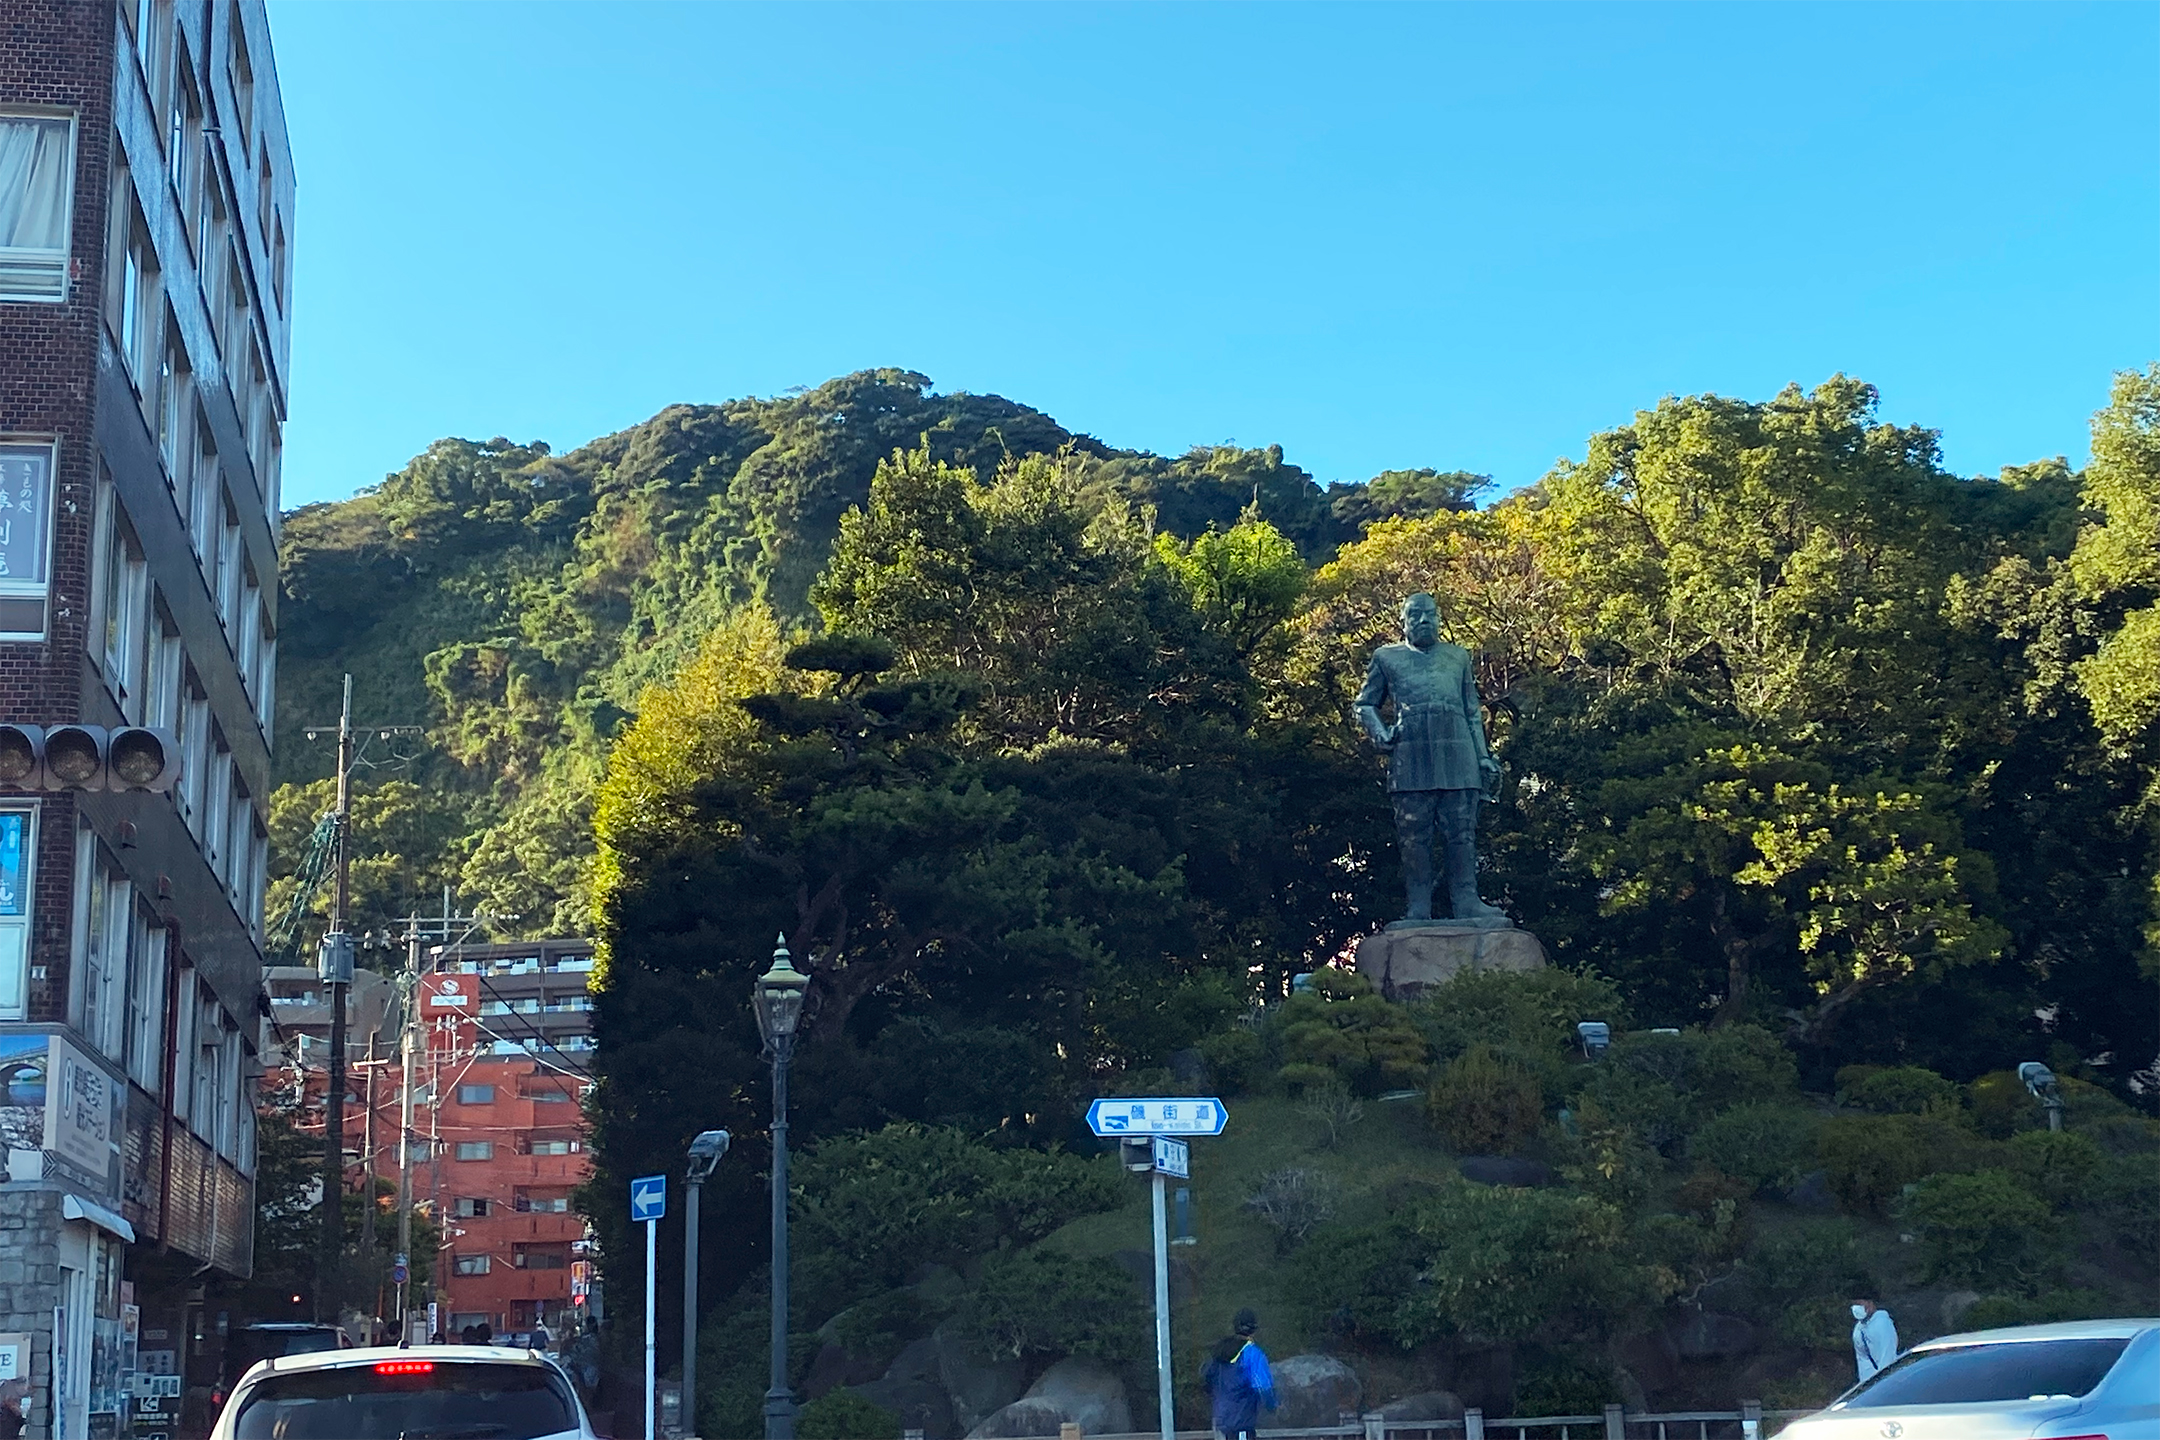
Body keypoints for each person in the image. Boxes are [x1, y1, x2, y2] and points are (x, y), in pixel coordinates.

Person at [1354, 592, 1509, 925]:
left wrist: (1483, 756)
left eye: (1430, 615)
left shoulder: (1458, 657)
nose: (1424, 620)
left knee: (1462, 832)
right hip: (1411, 754)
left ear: (1439, 619)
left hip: (1458, 752)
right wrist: (1381, 735)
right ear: (1403, 622)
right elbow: (1364, 704)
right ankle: (1418, 906)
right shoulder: (1387, 657)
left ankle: (1467, 901)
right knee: (1414, 834)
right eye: (1416, 615)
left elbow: (1471, 709)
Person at [1202, 1308, 1277, 1440]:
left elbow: (1206, 1377)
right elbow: (1263, 1386)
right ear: (1254, 1329)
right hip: (1241, 1424)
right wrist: (1272, 1406)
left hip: (1220, 1423)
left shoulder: (1218, 1352)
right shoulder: (1252, 1353)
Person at [1851, 1296, 1899, 1382]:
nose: (1856, 1308)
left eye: (1859, 1304)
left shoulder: (1882, 1323)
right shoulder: (1858, 1330)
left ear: (1870, 1303)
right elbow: (1862, 1361)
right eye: (1854, 1304)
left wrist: (1885, 1381)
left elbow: (1887, 1355)